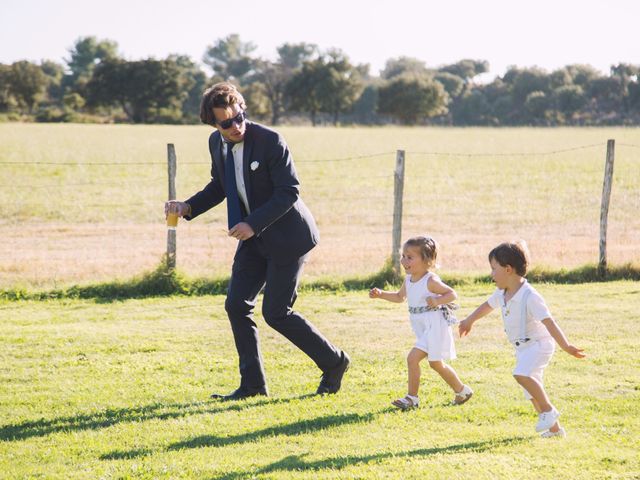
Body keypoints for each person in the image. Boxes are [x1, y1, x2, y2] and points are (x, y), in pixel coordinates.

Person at [165, 82, 349, 400]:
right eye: (226, 123)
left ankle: (334, 362)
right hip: (253, 238)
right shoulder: (216, 143)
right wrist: (188, 206)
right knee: (236, 305)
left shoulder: (270, 140)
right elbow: (219, 185)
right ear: (213, 124)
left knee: (276, 313)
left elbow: (289, 191)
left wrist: (252, 223)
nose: (236, 126)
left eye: (240, 117)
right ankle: (252, 386)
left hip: (288, 236)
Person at [458, 241, 585, 438]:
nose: (491, 274)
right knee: (532, 392)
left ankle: (549, 412)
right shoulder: (502, 293)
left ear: (508, 269)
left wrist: (566, 346)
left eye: (493, 269)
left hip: (539, 345)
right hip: (523, 349)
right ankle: (555, 430)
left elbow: (549, 322)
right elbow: (487, 306)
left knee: (521, 374)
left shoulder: (530, 296)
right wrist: (469, 320)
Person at [369, 235, 473, 410]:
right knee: (436, 364)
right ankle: (462, 391)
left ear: (427, 260)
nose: (404, 260)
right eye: (403, 256)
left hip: (434, 326)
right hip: (424, 327)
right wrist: (381, 294)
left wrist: (437, 301)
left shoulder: (430, 280)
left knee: (412, 359)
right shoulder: (408, 280)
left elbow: (451, 294)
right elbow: (399, 297)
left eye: (410, 257)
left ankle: (412, 398)